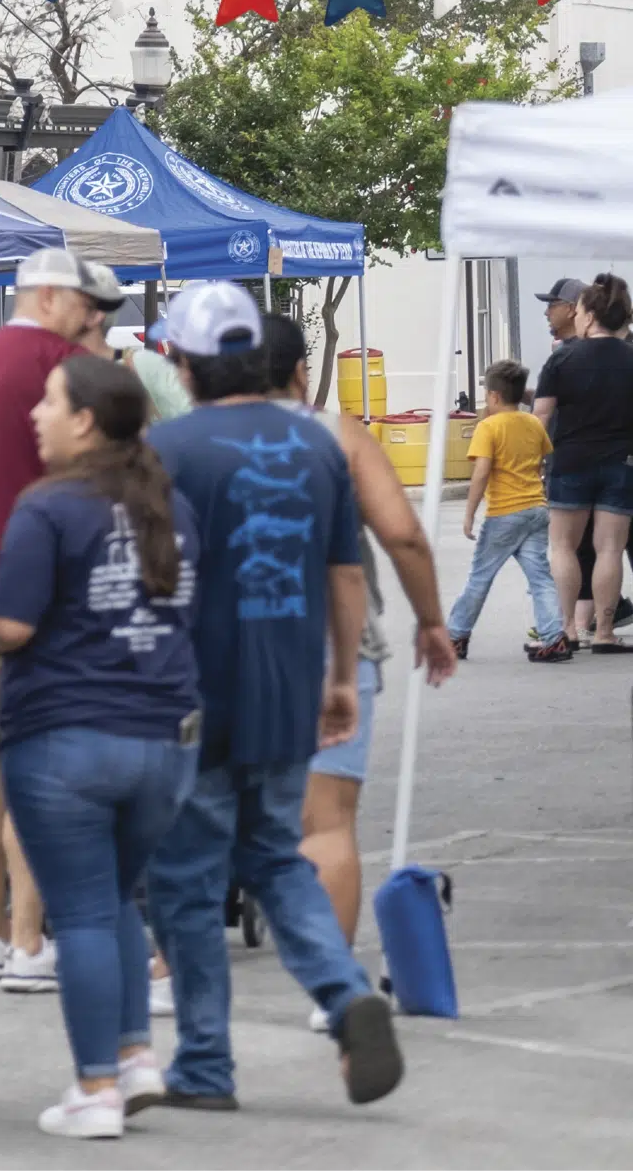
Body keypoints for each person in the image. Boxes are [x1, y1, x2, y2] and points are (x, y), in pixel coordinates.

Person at [144, 281, 403, 1112]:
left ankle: (204, 1063)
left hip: (194, 688)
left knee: (186, 878)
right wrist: (340, 678)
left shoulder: (166, 449)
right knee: (275, 857)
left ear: (183, 362)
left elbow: (146, 577)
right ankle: (343, 991)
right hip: (290, 681)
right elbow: (345, 573)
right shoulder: (316, 444)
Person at [0, 355, 201, 1138]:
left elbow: (11, 625)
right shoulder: (170, 505)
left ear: (83, 421)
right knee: (112, 897)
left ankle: (94, 1086)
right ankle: (134, 1052)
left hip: (65, 737)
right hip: (161, 740)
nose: (34, 415)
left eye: (48, 402)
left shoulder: (47, 506)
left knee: (76, 912)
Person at [258, 314, 457, 1032]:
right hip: (327, 646)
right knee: (327, 822)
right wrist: (431, 620)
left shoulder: (188, 440)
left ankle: (168, 970)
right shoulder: (339, 437)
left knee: (206, 815)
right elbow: (402, 534)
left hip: (221, 647)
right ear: (299, 370)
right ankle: (333, 991)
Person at [0, 247, 118, 994]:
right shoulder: (68, 369)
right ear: (47, 296)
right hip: (44, 587)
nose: (91, 314)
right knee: (40, 764)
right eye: (82, 300)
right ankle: (28, 940)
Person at [535, 274, 633, 653]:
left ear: (590, 316)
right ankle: (605, 631)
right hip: (621, 463)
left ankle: (567, 630)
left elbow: (541, 417)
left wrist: (530, 463)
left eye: (578, 312)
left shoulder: (562, 359)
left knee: (563, 546)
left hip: (570, 462)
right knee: (609, 549)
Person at [450, 358, 565, 661]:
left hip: (505, 512)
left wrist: (469, 514)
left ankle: (456, 636)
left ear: (494, 396)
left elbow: (481, 472)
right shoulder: (533, 423)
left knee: (480, 577)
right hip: (536, 509)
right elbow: (540, 462)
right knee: (540, 577)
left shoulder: (488, 427)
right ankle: (554, 638)